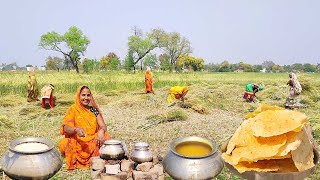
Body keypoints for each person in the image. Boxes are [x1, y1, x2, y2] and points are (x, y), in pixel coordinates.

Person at [58, 85, 110, 170]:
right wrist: (76, 130)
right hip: (77, 141)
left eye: (88, 95)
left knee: (106, 136)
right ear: (79, 96)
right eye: (83, 95)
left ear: (91, 96)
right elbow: (66, 128)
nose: (86, 98)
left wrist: (101, 130)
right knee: (65, 143)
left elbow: (103, 125)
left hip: (92, 140)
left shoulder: (93, 110)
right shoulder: (73, 109)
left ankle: (95, 159)